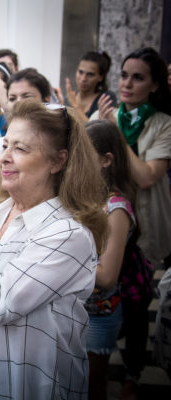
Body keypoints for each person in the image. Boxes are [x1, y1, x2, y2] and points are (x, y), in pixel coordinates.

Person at [0, 99, 108, 398]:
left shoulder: (67, 235)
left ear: (58, 161)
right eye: (6, 145)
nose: (3, 159)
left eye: (21, 149)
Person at [91, 46, 171, 399]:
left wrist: (114, 132)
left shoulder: (162, 124)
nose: (127, 83)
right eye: (124, 75)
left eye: (138, 78)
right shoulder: (109, 113)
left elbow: (146, 176)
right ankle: (99, 357)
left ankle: (133, 374)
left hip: (143, 226)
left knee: (137, 302)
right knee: (107, 296)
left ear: (154, 85)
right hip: (105, 220)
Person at [84, 120, 137, 400]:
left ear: (106, 160)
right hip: (75, 309)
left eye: (84, 153)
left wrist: (63, 258)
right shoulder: (86, 197)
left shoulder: (116, 208)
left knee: (92, 387)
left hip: (98, 315)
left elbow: (106, 277)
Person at [65, 51, 117, 122]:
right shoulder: (69, 98)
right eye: (80, 72)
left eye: (90, 74)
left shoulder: (105, 98)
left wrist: (75, 105)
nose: (83, 79)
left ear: (101, 77)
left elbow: (94, 131)